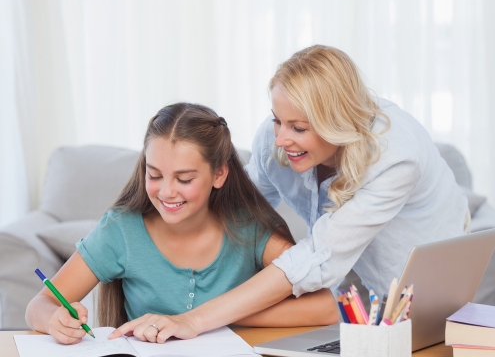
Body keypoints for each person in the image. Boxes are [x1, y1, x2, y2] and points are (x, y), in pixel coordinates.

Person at [108, 45, 468, 342]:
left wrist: (196, 318)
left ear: (337, 124)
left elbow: (317, 259)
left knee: (422, 344)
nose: (279, 139)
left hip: (422, 263)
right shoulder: (275, 138)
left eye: (297, 127)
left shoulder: (395, 157)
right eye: (277, 120)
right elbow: (241, 210)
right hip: (340, 268)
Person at [25, 102, 337, 345]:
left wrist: (208, 318)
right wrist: (54, 319)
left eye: (184, 179)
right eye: (155, 174)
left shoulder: (247, 228)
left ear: (219, 174)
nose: (166, 191)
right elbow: (41, 304)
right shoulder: (121, 230)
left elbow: (324, 307)